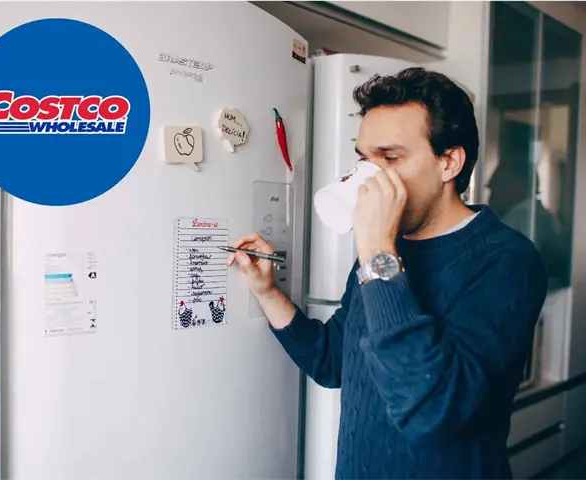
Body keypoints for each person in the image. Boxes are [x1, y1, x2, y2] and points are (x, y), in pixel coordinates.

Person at [227, 67, 548, 479]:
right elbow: (334, 361)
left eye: (390, 158)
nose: (369, 178)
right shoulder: (385, 249)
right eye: (365, 159)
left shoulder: (507, 261)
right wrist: (267, 292)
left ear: (449, 162)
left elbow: (432, 410)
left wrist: (377, 250)